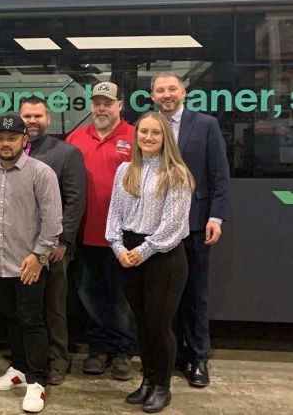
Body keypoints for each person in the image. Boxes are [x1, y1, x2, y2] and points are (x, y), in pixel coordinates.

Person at [105, 111, 194, 413]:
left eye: (156, 133)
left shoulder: (177, 174)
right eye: (144, 132)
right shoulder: (124, 170)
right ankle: (147, 380)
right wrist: (118, 247)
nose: (148, 137)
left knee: (158, 325)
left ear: (165, 137)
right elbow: (114, 215)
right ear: (136, 135)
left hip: (162, 257)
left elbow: (172, 225)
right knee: (141, 324)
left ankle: (162, 386)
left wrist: (143, 251)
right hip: (127, 254)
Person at [150, 72, 230, 387]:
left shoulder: (206, 125)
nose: (166, 94)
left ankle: (198, 357)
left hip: (196, 224)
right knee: (164, 296)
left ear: (183, 92)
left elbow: (219, 175)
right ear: (153, 96)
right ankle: (171, 355)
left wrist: (216, 217)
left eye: (172, 89)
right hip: (157, 224)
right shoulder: (148, 127)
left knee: (196, 293)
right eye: (160, 90)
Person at [0, 114, 62, 414]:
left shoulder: (42, 173)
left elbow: (53, 221)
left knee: (32, 320)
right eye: (0, 138)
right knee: (11, 318)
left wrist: (39, 256)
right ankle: (18, 370)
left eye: (12, 138)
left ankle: (37, 382)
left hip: (29, 263)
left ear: (23, 140)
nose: (5, 143)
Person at [65, 81, 138, 380]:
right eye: (97, 103)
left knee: (121, 297)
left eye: (108, 103)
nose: (102, 108)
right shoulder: (76, 138)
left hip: (123, 236)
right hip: (85, 234)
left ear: (120, 105)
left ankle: (122, 351)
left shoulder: (135, 137)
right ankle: (97, 348)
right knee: (89, 293)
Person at [19, 96, 87, 386]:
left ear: (48, 118)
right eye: (27, 116)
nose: (32, 121)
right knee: (26, 306)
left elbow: (75, 201)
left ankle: (58, 360)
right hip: (20, 245)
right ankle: (28, 358)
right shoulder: (9, 150)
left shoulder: (67, 153)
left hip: (53, 248)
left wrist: (63, 242)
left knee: (54, 305)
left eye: (37, 116)